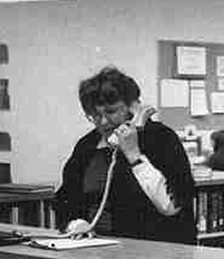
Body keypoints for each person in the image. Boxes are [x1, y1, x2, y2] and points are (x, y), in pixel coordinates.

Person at [55, 66, 196, 244]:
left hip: (154, 251)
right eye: (95, 115)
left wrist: (134, 155)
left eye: (111, 111)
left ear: (133, 107)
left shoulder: (161, 139)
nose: (103, 122)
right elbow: (65, 199)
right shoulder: (87, 146)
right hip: (95, 249)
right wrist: (75, 223)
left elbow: (172, 206)